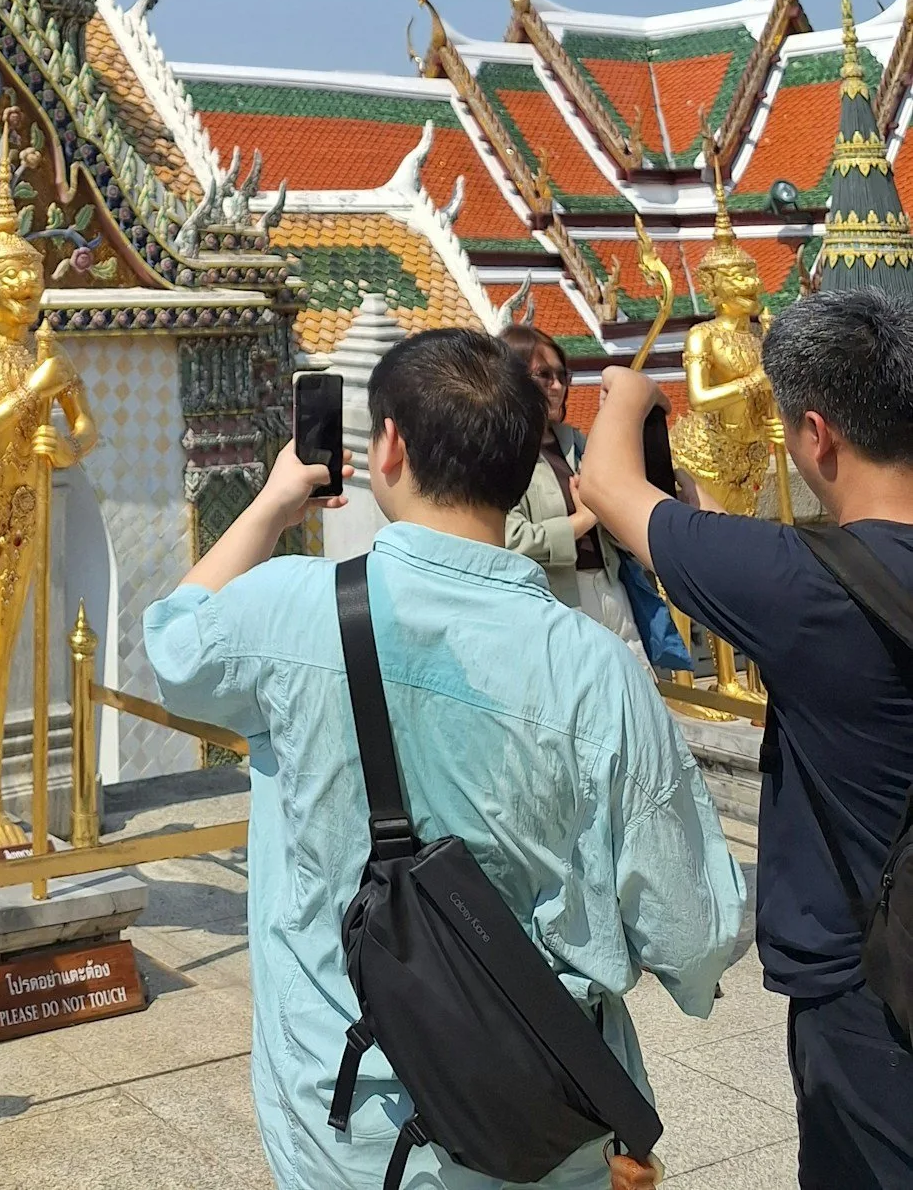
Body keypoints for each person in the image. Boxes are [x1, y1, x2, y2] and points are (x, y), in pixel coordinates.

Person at [146, 326, 743, 1190]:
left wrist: (275, 503)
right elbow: (691, 934)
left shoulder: (285, 613)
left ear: (387, 445)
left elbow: (171, 645)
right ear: (521, 465)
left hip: (345, 1118)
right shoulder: (594, 669)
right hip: (545, 1118)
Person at [581, 290, 913, 1190]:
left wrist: (627, 391)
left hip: (868, 986)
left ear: (814, 436)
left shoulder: (798, 583)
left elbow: (608, 489)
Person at [503, 324, 645, 656]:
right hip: (556, 601)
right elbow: (508, 539)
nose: (557, 386)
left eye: (562, 375)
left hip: (612, 586)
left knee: (641, 694)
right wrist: (583, 519)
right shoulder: (502, 455)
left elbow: (619, 502)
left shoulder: (577, 444)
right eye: (543, 375)